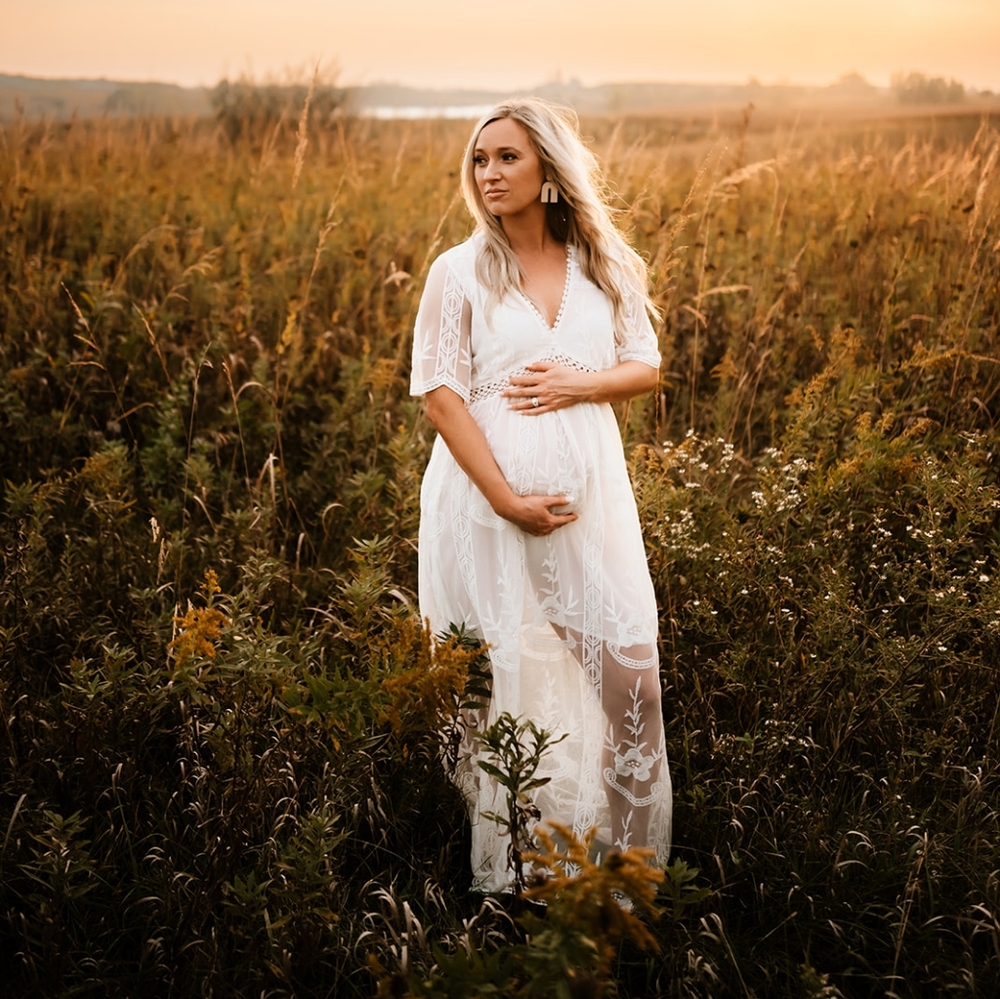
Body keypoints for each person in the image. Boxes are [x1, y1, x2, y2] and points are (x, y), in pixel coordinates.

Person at [410, 97, 672, 893]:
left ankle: (624, 887)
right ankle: (520, 884)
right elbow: (439, 394)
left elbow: (646, 364)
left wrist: (576, 383)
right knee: (506, 695)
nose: (488, 173)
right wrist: (504, 498)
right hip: (488, 511)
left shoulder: (605, 264)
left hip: (592, 512)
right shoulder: (458, 271)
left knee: (633, 686)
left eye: (507, 158)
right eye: (480, 161)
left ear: (549, 171)